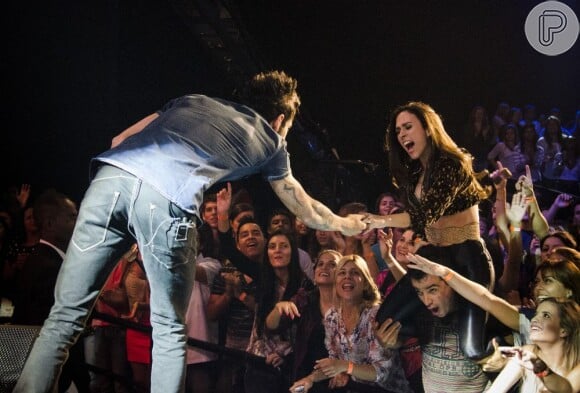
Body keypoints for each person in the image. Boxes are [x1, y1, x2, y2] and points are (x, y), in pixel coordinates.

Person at [14, 70, 368, 393]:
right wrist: (344, 223)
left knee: (63, 317)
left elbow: (119, 137)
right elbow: (305, 208)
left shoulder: (193, 101)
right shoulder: (271, 140)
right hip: (166, 197)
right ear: (279, 120)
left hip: (111, 178)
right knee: (169, 331)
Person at [367, 101, 494, 361]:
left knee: (472, 348)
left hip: (466, 260)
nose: (402, 135)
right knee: (383, 323)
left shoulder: (452, 164)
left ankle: (506, 339)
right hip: (433, 259)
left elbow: (425, 215)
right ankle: (450, 323)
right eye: (398, 131)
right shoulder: (416, 174)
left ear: (427, 128)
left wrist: (378, 220)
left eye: (408, 127)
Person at [289, 254, 411, 393]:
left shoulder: (376, 315)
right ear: (336, 283)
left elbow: (380, 373)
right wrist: (310, 379)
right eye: (342, 273)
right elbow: (334, 363)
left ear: (365, 283)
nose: (347, 277)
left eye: (354, 273)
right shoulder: (332, 318)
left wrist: (346, 367)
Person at [265, 249, 342, 393]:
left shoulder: (349, 303)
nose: (324, 268)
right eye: (320, 264)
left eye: (332, 264)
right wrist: (278, 308)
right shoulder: (305, 299)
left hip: (339, 379)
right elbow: (271, 327)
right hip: (306, 375)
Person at [487, 298, 580, 393]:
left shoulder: (577, 366)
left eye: (546, 316)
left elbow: (568, 389)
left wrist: (540, 367)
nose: (534, 319)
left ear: (563, 330)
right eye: (536, 314)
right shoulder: (528, 352)